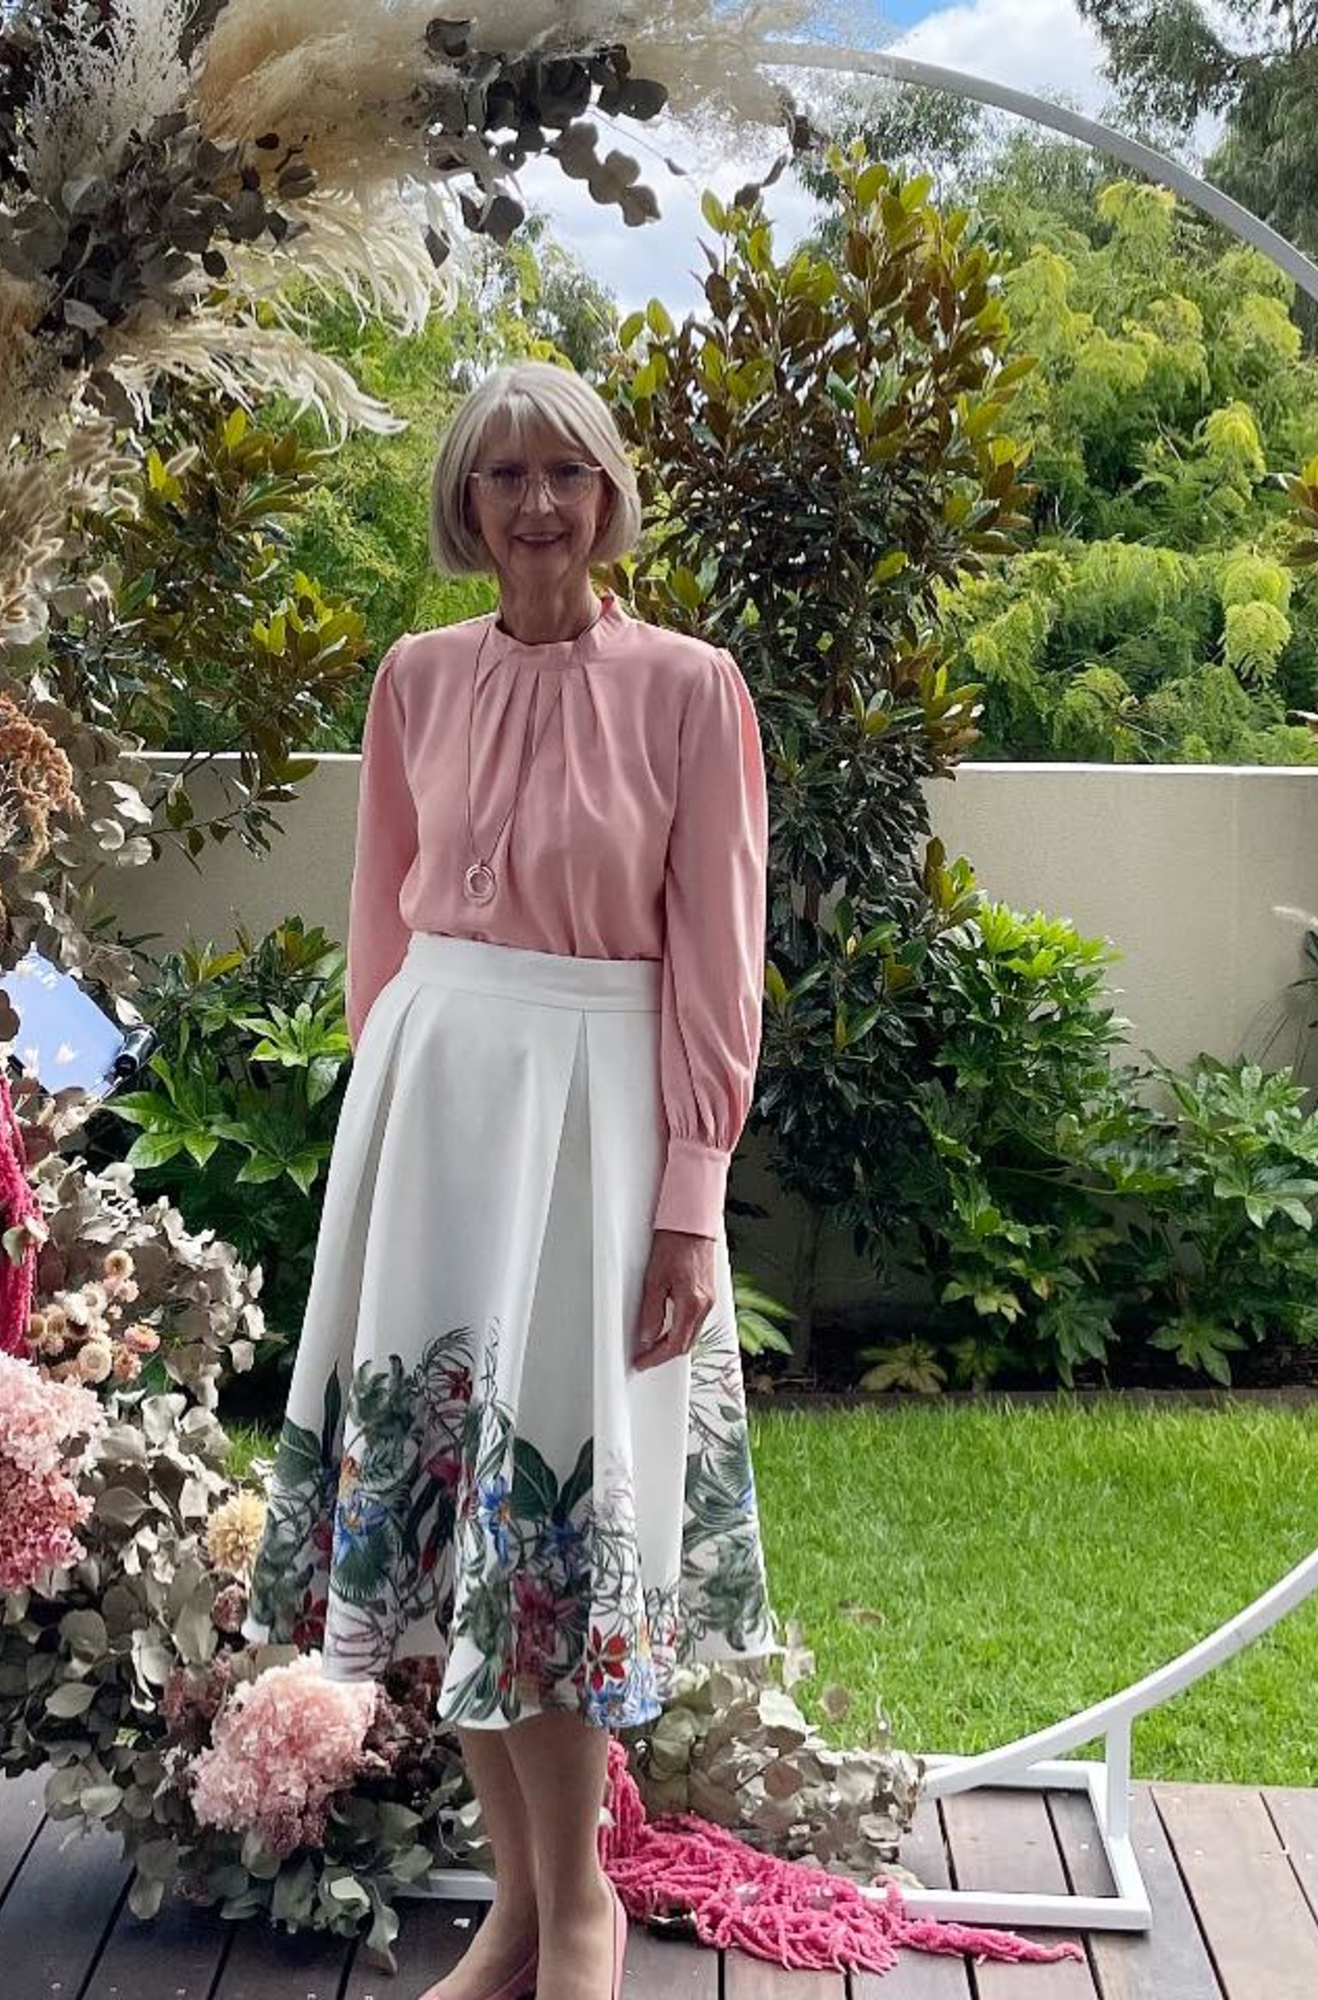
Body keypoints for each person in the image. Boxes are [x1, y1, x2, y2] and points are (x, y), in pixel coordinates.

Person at [240, 357, 781, 2000]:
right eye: (503, 476)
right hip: (436, 1129)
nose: (538, 501)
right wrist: (381, 1128)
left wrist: (691, 1190)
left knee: (549, 1521)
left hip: (600, 1130)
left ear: (610, 494)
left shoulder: (694, 691)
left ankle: (586, 1910)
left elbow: (719, 960)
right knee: (445, 1538)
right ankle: (522, 1916)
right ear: (464, 507)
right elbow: (380, 921)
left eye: (566, 472)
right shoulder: (411, 677)